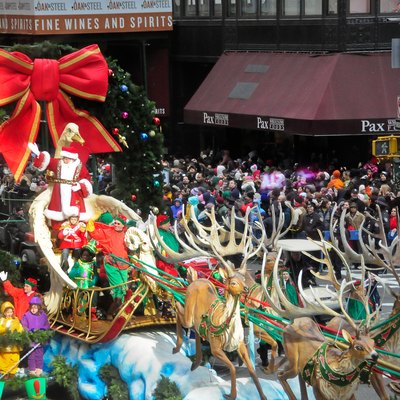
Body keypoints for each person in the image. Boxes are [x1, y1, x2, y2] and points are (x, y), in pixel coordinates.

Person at [28, 142, 93, 227]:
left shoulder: (80, 167)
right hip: (58, 192)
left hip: (74, 192)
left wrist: (80, 185)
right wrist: (39, 154)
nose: (65, 160)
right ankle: (57, 232)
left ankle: (77, 232)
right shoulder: (59, 164)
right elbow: (48, 162)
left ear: (72, 158)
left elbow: (87, 179)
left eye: (67, 159)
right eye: (64, 158)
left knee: (74, 212)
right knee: (57, 213)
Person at [86, 214, 129, 320]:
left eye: (118, 223)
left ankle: (118, 313)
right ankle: (110, 313)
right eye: (115, 223)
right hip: (112, 265)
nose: (116, 225)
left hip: (124, 265)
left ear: (123, 226)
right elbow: (94, 233)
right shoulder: (109, 232)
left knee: (124, 291)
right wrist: (91, 220)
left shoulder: (126, 235)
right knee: (118, 294)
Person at [68, 239, 99, 320]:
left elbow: (96, 275)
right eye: (83, 255)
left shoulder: (93, 264)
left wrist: (93, 281)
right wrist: (75, 272)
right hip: (78, 284)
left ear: (91, 256)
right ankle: (74, 312)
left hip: (88, 285)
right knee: (76, 294)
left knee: (94, 294)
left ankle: (92, 313)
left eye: (87, 256)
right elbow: (70, 275)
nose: (85, 257)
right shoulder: (77, 263)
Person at [20, 296, 50, 376]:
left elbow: (47, 325)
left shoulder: (43, 316)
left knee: (39, 354)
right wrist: (29, 331)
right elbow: (24, 325)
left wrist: (44, 330)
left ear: (39, 308)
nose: (33, 309)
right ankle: (32, 370)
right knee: (31, 355)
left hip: (40, 340)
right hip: (31, 339)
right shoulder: (27, 315)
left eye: (35, 308)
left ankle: (39, 369)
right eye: (32, 308)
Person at [0, 301, 24, 378]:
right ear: (4, 313)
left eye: (11, 312)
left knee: (15, 358)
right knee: (5, 358)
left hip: (15, 344)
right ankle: (4, 372)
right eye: (7, 312)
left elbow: (20, 328)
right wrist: (4, 329)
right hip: (5, 344)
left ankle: (12, 372)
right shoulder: (2, 320)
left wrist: (21, 333)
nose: (9, 314)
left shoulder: (16, 320)